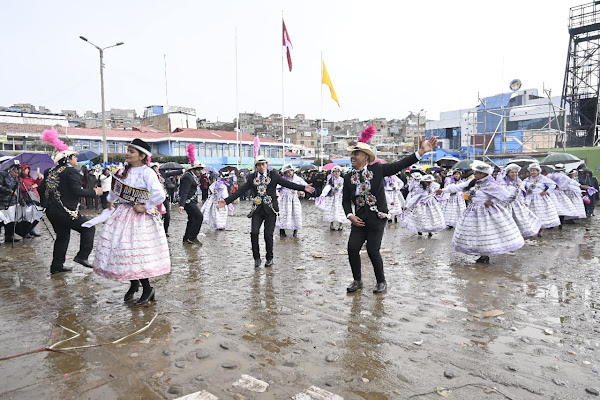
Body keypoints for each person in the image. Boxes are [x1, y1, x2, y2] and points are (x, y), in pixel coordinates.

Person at [343, 126, 438, 294]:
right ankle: (357, 280)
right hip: (358, 220)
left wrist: (421, 152)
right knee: (352, 248)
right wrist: (350, 215)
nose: (352, 157)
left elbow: (400, 164)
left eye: (356, 154)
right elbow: (345, 200)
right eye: (352, 154)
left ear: (365, 157)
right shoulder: (348, 177)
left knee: (373, 251)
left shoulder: (378, 169)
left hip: (377, 218)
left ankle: (381, 281)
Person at [93, 139, 171, 305]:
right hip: (123, 214)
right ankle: (134, 283)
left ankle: (147, 289)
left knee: (137, 253)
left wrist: (146, 206)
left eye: (132, 151)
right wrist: (110, 200)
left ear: (142, 156)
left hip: (140, 219)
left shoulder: (147, 172)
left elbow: (159, 194)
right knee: (124, 251)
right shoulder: (123, 171)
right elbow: (116, 189)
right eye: (128, 150)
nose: (127, 154)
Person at [217, 155, 315, 267]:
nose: (261, 167)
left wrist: (303, 188)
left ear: (266, 165)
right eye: (259, 165)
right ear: (256, 166)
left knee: (268, 235)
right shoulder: (252, 177)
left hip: (271, 209)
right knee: (254, 233)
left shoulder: (273, 175)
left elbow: (287, 183)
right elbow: (241, 190)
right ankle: (256, 258)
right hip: (257, 210)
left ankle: (269, 258)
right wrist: (226, 201)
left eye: (263, 164)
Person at [437, 160, 524, 263]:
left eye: (477, 173)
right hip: (473, 211)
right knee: (475, 233)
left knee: (485, 233)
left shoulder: (491, 184)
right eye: (475, 172)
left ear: (483, 174)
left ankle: (485, 255)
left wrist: (492, 201)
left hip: (486, 212)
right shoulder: (473, 182)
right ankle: (479, 251)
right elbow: (458, 187)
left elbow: (506, 196)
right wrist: (443, 190)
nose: (475, 174)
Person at [38, 150, 103, 274]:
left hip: (52, 211)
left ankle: (56, 266)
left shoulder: (50, 171)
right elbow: (77, 191)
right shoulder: (71, 171)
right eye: (74, 157)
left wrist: (45, 204)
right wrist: (95, 192)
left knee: (62, 237)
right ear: (68, 159)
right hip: (66, 211)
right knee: (89, 227)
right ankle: (82, 256)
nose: (76, 159)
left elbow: (41, 189)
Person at [496, 164, 541, 238]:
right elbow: (501, 194)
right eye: (512, 172)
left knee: (520, 220)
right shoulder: (503, 182)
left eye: (516, 172)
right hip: (506, 205)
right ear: (508, 173)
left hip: (517, 204)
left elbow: (521, 194)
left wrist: (524, 202)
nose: (514, 174)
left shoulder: (519, 181)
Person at [522, 163, 561, 236]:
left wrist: (546, 192)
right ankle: (532, 229)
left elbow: (553, 185)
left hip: (540, 198)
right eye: (531, 171)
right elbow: (522, 186)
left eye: (534, 170)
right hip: (530, 198)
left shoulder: (543, 178)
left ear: (538, 171)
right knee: (531, 215)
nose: (532, 172)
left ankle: (540, 230)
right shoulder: (527, 179)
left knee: (540, 215)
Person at [277, 164, 308, 237]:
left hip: (294, 200)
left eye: (289, 172)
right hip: (284, 200)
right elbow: (277, 189)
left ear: (293, 171)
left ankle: (295, 230)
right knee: (283, 214)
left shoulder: (298, 179)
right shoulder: (282, 180)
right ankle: (282, 230)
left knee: (296, 213)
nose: (288, 174)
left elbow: (305, 187)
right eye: (286, 173)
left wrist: (301, 192)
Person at [178, 161, 205, 244]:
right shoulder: (187, 177)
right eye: (198, 170)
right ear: (193, 169)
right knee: (199, 216)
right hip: (188, 202)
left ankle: (186, 238)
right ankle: (193, 237)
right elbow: (184, 191)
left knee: (192, 219)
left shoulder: (193, 176)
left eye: (200, 170)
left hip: (192, 200)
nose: (199, 172)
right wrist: (181, 205)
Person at [316, 166, 347, 231]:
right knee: (331, 210)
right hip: (332, 197)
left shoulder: (342, 179)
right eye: (335, 172)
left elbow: (344, 187)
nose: (336, 173)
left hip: (340, 197)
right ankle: (331, 224)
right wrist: (323, 194)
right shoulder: (331, 179)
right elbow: (327, 187)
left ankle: (341, 224)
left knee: (341, 210)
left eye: (338, 172)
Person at [18, 163, 43, 237]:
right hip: (27, 199)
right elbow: (22, 188)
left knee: (34, 215)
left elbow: (37, 183)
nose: (28, 170)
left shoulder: (29, 178)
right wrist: (32, 187)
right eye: (26, 169)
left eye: (28, 169)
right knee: (29, 216)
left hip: (34, 198)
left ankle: (32, 230)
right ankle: (27, 231)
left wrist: (39, 179)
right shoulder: (19, 179)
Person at [0, 162, 23, 243]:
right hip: (2, 201)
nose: (16, 174)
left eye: (18, 173)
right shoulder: (2, 174)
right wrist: (10, 191)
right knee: (1, 219)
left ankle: (9, 236)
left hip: (12, 202)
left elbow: (18, 192)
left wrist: (22, 202)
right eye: (15, 172)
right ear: (10, 169)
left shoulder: (16, 179)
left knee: (11, 220)